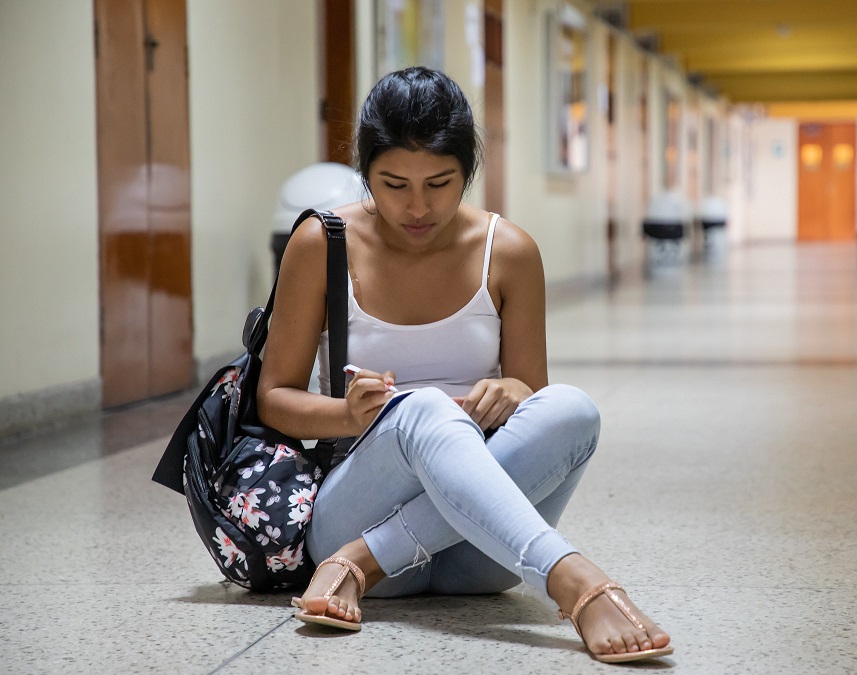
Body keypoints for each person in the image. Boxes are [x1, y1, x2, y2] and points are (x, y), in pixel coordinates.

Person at [256, 66, 672, 664]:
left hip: (479, 555)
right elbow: (274, 398)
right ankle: (571, 579)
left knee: (572, 409)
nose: (418, 207)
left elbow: (534, 397)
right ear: (366, 172)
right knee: (420, 403)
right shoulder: (323, 243)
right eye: (393, 184)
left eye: (441, 183)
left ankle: (364, 562)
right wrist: (350, 417)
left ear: (468, 173)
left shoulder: (509, 252)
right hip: (350, 516)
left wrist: (512, 391)